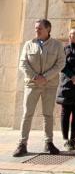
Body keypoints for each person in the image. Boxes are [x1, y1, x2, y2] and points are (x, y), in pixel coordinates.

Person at [14, 19, 66, 158]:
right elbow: (23, 64)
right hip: (32, 84)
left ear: (48, 29)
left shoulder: (57, 45)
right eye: (36, 28)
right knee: (27, 114)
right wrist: (36, 77)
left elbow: (61, 63)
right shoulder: (28, 44)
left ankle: (48, 143)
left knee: (48, 115)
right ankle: (22, 144)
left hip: (49, 85)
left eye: (40, 28)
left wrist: (46, 77)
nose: (37, 30)